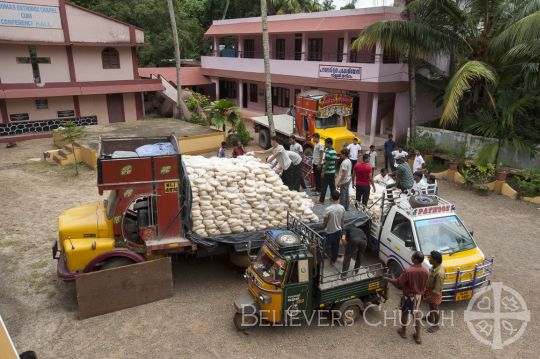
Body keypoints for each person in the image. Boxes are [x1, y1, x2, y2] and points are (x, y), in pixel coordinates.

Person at [383, 251, 429, 345]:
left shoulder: (408, 271)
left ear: (415, 259)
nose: (411, 257)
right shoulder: (425, 271)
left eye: (413, 256)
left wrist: (387, 279)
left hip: (409, 297)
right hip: (418, 297)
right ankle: (418, 336)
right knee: (416, 316)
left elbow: (398, 283)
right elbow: (426, 285)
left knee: (405, 313)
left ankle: (403, 332)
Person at [424, 250, 445, 333]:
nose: (429, 259)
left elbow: (437, 289)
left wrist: (430, 297)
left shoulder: (439, 273)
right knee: (431, 306)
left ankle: (436, 325)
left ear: (435, 260)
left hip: (434, 293)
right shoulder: (434, 267)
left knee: (435, 308)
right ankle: (430, 318)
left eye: (430, 258)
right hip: (430, 291)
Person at [323, 190, 345, 264]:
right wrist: (342, 229)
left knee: (324, 246)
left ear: (331, 198)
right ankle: (333, 261)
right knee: (335, 247)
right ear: (339, 198)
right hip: (338, 231)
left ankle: (319, 261)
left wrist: (325, 227)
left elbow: (325, 221)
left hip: (329, 231)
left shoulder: (328, 209)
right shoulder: (342, 208)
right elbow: (342, 220)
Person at [317, 138, 338, 204]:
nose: (325, 144)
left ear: (328, 143)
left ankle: (321, 200)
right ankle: (333, 199)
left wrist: (323, 171)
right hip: (332, 171)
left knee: (324, 186)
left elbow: (327, 162)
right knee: (332, 186)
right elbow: (335, 161)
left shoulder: (328, 152)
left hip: (327, 172)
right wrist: (334, 169)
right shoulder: (334, 151)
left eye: (325, 143)